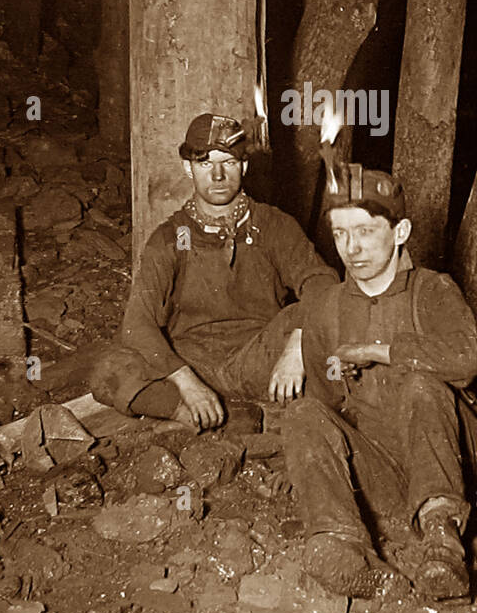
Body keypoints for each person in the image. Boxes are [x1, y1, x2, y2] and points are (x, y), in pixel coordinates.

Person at [284, 161, 477, 600]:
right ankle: (343, 546)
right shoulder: (326, 307)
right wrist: (341, 379)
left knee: (420, 384)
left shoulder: (433, 290)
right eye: (340, 234)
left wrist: (380, 352)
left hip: (453, 459)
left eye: (364, 231)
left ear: (400, 232)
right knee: (303, 412)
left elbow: (465, 359)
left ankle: (442, 542)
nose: (351, 248)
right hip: (382, 467)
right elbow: (326, 402)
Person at [91, 112, 339, 430]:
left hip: (259, 356)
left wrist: (297, 348)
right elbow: (138, 323)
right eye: (206, 163)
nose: (218, 175)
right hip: (194, 361)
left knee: (315, 323)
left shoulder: (274, 225)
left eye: (229, 162)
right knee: (110, 366)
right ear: (188, 168)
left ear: (244, 166)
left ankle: (222, 415)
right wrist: (187, 384)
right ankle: (198, 415)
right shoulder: (169, 237)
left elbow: (321, 281)